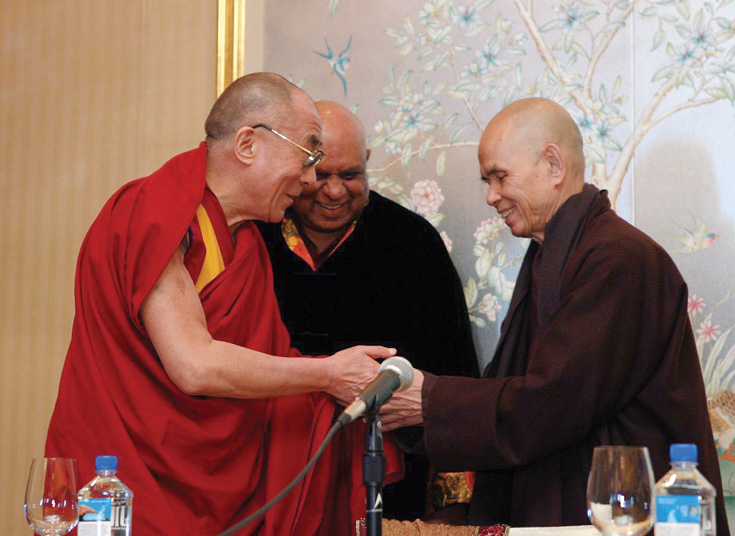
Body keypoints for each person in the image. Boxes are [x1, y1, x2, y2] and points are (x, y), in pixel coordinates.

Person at [45, 73, 403, 536]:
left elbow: (262, 371)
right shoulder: (153, 210)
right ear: (249, 144)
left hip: (210, 484)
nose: (312, 178)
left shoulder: (247, 245)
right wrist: (328, 374)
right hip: (123, 481)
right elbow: (194, 365)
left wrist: (348, 399)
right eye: (309, 154)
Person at [382, 97, 729, 534]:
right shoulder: (554, 255)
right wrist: (418, 410)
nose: (491, 196)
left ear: (553, 164)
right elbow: (519, 388)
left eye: (500, 177)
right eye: (486, 180)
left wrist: (430, 401)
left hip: (627, 515)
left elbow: (556, 401)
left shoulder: (619, 259)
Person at [257, 101, 479, 520]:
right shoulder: (257, 234)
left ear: (368, 164)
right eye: (320, 175)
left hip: (386, 484)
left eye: (351, 175)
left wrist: (448, 512)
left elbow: (452, 379)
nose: (335, 191)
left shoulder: (412, 244)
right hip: (271, 477)